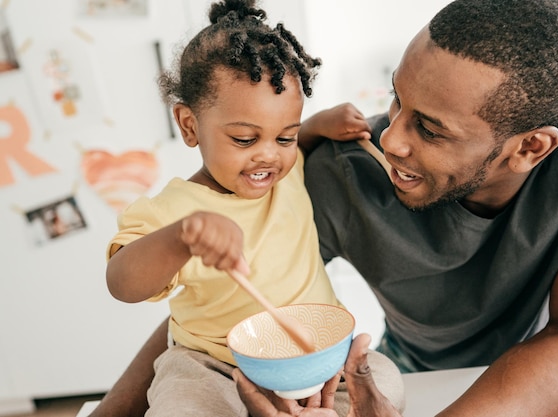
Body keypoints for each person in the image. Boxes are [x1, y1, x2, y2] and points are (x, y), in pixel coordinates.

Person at [92, 0, 558, 415]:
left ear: (530, 148)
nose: (390, 138)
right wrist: (113, 412)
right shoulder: (341, 173)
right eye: (396, 100)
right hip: (423, 372)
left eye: (430, 129)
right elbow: (216, 301)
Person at [102, 0, 403, 416]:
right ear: (190, 125)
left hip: (314, 353)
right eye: (244, 139)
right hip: (215, 365)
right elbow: (122, 283)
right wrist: (181, 237)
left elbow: (300, 142)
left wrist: (317, 125)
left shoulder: (287, 172)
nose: (268, 157)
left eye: (284, 138)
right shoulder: (169, 213)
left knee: (386, 382)